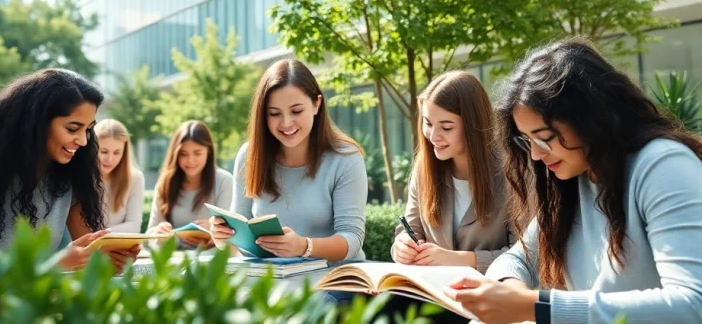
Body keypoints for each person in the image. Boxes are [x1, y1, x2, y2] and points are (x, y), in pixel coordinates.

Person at [445, 39, 702, 324]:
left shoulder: (665, 167)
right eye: (528, 141)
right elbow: (519, 259)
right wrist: (509, 288)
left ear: (591, 119)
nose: (535, 154)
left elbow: (699, 307)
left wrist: (536, 307)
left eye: (546, 138)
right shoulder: (573, 178)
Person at [0, 69, 140, 282]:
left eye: (88, 129)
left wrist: (107, 262)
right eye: (72, 129)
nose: (82, 141)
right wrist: (48, 268)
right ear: (35, 124)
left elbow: (86, 258)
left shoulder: (71, 179)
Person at [210, 59, 368, 263]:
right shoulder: (249, 155)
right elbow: (238, 233)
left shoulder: (345, 158)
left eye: (296, 111)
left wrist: (303, 246)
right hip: (270, 278)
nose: (286, 123)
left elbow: (352, 238)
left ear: (316, 105)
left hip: (333, 279)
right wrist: (223, 237)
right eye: (274, 114)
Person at [392, 70, 512, 272]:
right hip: (432, 295)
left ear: (474, 126)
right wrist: (402, 245)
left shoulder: (512, 172)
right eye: (428, 123)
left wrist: (460, 259)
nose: (433, 136)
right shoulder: (425, 167)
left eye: (446, 127)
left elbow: (527, 257)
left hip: (491, 295)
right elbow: (411, 229)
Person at [146, 120, 233, 247]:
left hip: (212, 260)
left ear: (208, 151)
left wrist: (214, 232)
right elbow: (150, 235)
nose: (190, 161)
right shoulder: (165, 182)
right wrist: (159, 233)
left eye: (197, 153)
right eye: (183, 154)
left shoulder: (224, 181)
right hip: (175, 259)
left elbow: (233, 234)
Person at [94, 119, 145, 232]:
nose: (110, 159)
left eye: (117, 152)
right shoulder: (78, 178)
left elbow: (134, 226)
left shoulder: (135, 178)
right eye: (104, 151)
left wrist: (100, 235)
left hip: (117, 246)